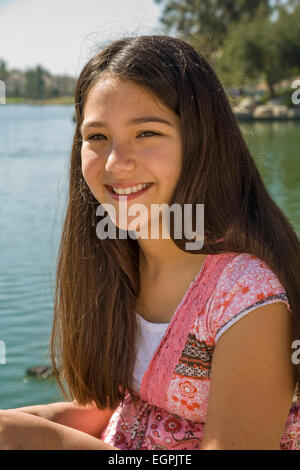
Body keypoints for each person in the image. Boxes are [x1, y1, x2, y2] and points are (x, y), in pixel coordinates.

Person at [1, 34, 300, 450]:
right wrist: (13, 425)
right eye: (97, 137)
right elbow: (125, 405)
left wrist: (45, 439)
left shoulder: (249, 299)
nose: (115, 163)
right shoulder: (119, 260)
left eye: (147, 133)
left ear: (200, 140)